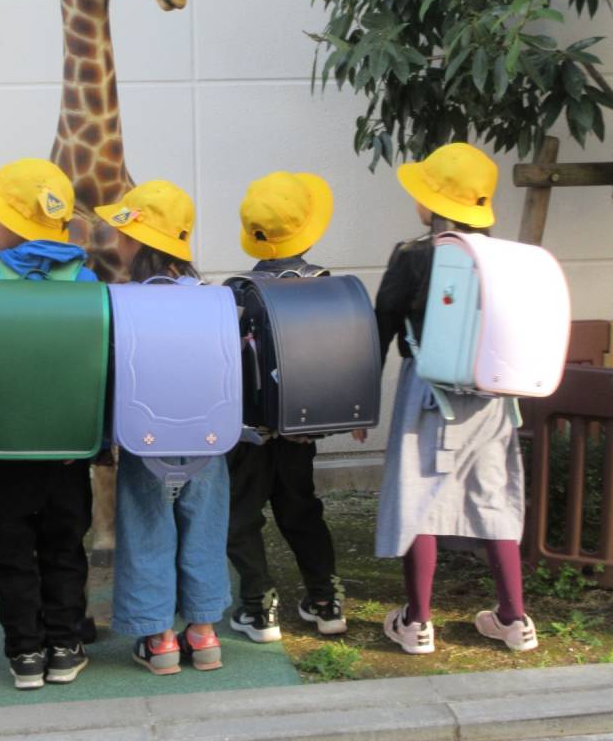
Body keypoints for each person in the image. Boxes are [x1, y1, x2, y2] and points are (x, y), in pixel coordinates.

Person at [361, 144, 538, 655]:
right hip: (492, 397)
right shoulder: (502, 257)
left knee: (420, 498)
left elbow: (380, 329)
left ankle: (417, 623)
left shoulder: (413, 256)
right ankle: (514, 618)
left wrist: (362, 405)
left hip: (427, 392)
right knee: (493, 496)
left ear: (433, 203)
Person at [0, 158, 99, 689]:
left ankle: (26, 652)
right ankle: (65, 645)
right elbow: (107, 367)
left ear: (15, 224)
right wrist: (96, 438)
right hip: (68, 452)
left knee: (8, 551)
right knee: (64, 546)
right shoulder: (87, 282)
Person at [95, 180, 231, 674]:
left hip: (144, 439)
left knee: (146, 528)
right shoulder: (215, 299)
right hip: (209, 439)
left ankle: (160, 639)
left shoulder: (122, 301)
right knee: (205, 528)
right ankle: (204, 633)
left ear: (136, 240)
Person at [226, 171, 346, 643]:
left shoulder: (237, 290)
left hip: (250, 432)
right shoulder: (325, 285)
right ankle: (326, 600)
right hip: (301, 429)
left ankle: (259, 607)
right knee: (303, 511)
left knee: (242, 517)